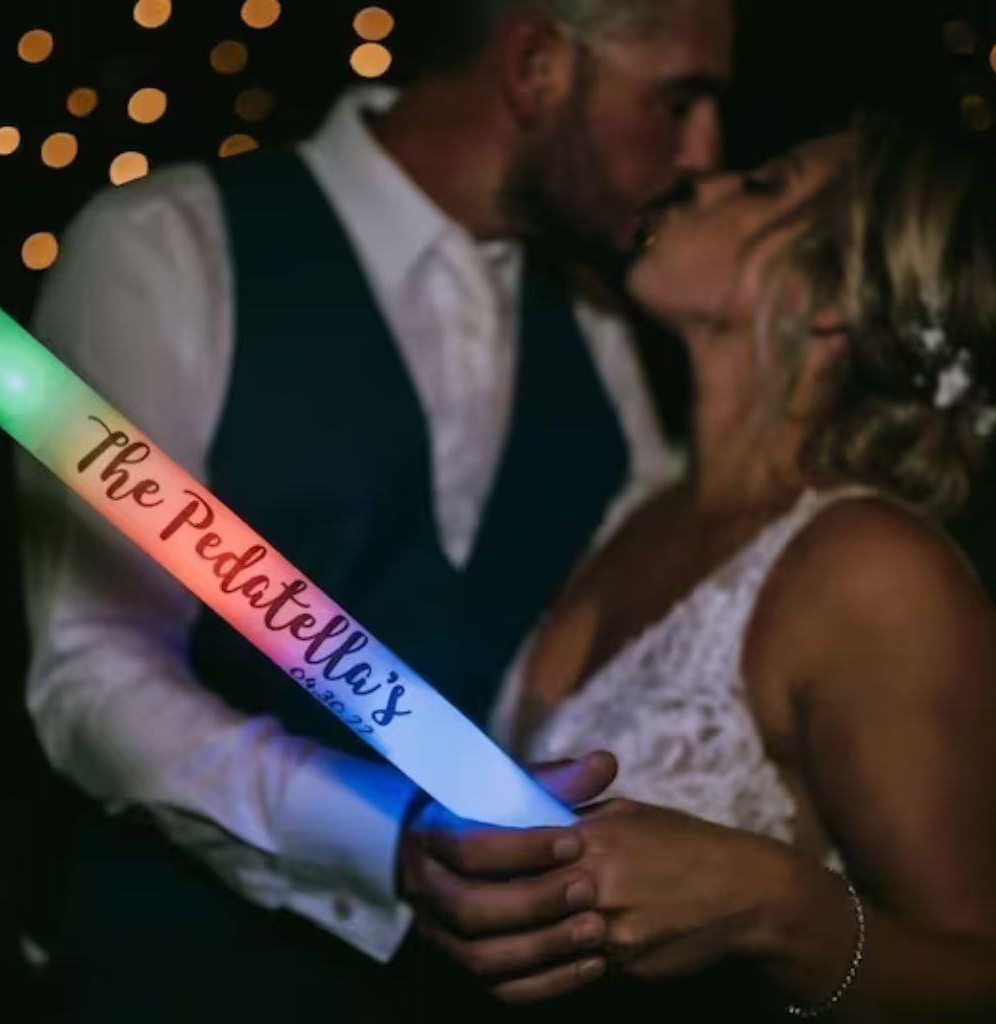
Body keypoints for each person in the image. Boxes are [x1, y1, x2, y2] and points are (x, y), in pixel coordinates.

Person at [18, 1, 733, 1020]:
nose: (702, 151)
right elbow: (92, 669)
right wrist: (384, 835)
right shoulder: (165, 247)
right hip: (183, 973)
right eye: (678, 99)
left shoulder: (600, 322)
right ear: (536, 67)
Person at [401, 116, 996, 1019]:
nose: (706, 177)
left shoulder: (869, 572)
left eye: (765, 186)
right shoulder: (635, 513)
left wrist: (779, 910)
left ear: (833, 293)